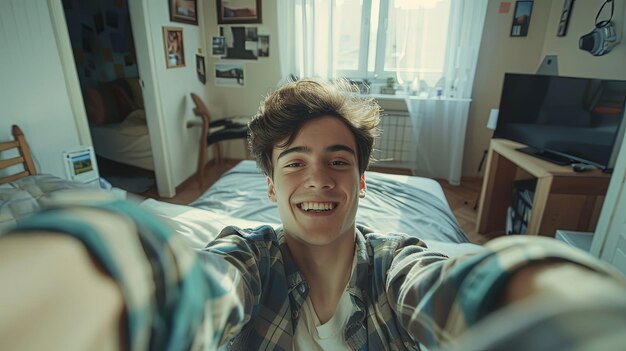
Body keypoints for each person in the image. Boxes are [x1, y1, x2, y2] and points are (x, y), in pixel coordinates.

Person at [2, 79, 626, 351]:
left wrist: (571, 308)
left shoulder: (395, 263)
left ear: (361, 178)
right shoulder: (246, 257)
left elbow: (460, 287)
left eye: (338, 161)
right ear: (269, 183)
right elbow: (184, 289)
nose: (319, 179)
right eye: (294, 164)